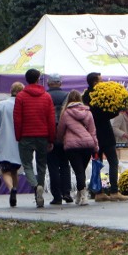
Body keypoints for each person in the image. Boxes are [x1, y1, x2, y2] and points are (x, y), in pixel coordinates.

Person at [14, 69, 55, 208]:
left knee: (27, 164)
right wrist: (51, 138)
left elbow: (17, 119)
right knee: (42, 164)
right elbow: (51, 119)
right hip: (43, 135)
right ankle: (41, 188)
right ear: (38, 79)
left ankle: (35, 185)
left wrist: (18, 135)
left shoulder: (20, 97)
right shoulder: (46, 97)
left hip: (26, 135)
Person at [82, 72, 127, 201]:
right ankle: (114, 191)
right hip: (105, 135)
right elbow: (103, 115)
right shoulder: (100, 96)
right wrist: (116, 110)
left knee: (97, 163)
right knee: (113, 162)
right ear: (95, 82)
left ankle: (99, 192)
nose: (103, 82)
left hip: (93, 136)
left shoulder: (86, 96)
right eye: (100, 80)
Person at [57, 90, 98, 206]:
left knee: (79, 171)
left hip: (72, 146)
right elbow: (93, 131)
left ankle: (83, 196)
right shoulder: (88, 112)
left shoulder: (66, 113)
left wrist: (60, 140)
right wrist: (95, 147)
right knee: (81, 171)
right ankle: (80, 194)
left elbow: (60, 130)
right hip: (87, 145)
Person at [0, 82, 24, 207]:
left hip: (4, 142)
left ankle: (11, 189)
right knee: (15, 170)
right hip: (18, 142)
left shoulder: (2, 105)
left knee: (5, 170)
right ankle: (15, 187)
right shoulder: (23, 105)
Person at [45, 74, 72, 204]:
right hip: (65, 134)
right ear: (60, 83)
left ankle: (56, 196)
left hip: (49, 134)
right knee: (65, 164)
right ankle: (66, 191)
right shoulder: (67, 96)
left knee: (53, 166)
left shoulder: (45, 96)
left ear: (49, 83)